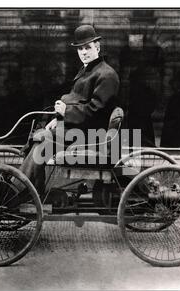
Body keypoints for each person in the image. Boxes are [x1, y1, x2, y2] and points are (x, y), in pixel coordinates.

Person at [19, 25, 120, 195]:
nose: (83, 52)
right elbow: (78, 100)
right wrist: (59, 118)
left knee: (43, 140)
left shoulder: (106, 75)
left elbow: (96, 111)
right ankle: (30, 190)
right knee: (40, 135)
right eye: (80, 49)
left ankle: (19, 190)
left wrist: (66, 112)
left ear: (98, 47)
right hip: (80, 129)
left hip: (93, 135)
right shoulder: (88, 70)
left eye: (87, 47)